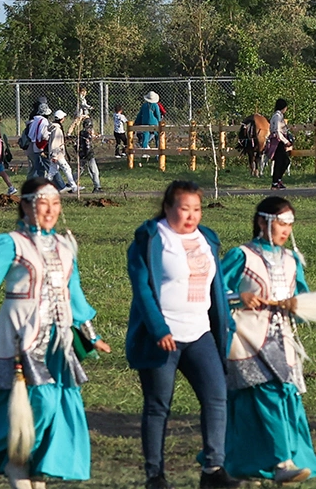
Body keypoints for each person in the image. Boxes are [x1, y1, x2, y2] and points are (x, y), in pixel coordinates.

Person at [0, 177, 112, 488]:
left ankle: (34, 465)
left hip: (57, 339)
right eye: (43, 203)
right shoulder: (12, 243)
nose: (51, 210)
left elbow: (73, 293)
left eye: (56, 203)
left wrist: (91, 335)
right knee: (35, 400)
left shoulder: (65, 247)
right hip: (21, 335)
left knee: (56, 401)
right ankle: (15, 461)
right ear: (25, 205)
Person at [125, 181, 239, 489]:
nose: (191, 216)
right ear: (167, 207)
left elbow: (216, 290)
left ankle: (213, 470)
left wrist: (226, 325)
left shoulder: (207, 240)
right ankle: (155, 475)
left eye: (197, 209)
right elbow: (143, 290)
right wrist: (158, 329)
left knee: (216, 396)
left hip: (200, 332)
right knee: (158, 404)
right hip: (163, 336)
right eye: (184, 208)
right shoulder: (149, 239)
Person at [220, 196, 316, 484]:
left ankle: (242, 465)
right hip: (247, 338)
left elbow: (300, 297)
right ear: (263, 222)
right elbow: (212, 291)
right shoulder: (241, 256)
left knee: (278, 395)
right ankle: (281, 463)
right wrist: (238, 298)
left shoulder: (291, 260)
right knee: (265, 395)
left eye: (290, 223)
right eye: (281, 222)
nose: (286, 229)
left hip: (282, 339)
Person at [48, 110, 76, 193]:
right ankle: (73, 185)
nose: (64, 119)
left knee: (52, 172)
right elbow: (55, 143)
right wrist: (55, 156)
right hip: (57, 153)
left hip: (55, 153)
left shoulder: (55, 128)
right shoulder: (57, 129)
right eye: (63, 117)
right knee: (67, 169)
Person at [268, 99, 292, 190]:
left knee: (281, 161)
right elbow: (278, 131)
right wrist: (286, 141)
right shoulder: (278, 117)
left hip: (277, 140)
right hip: (278, 141)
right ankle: (275, 182)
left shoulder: (276, 116)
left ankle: (277, 181)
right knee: (283, 161)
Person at [26, 105, 52, 179]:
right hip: (39, 145)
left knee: (36, 167)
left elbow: (31, 134)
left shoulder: (35, 120)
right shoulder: (43, 121)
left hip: (33, 145)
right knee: (39, 167)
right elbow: (44, 135)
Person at [77, 119, 102, 193]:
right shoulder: (87, 134)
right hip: (88, 154)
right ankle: (97, 187)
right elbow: (87, 145)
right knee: (95, 171)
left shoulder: (81, 133)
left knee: (80, 170)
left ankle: (70, 184)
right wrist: (88, 154)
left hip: (82, 153)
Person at [135, 92, 161, 157]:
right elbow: (158, 115)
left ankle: (144, 152)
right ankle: (158, 153)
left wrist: (136, 123)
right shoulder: (155, 105)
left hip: (145, 123)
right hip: (154, 123)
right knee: (157, 137)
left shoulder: (144, 105)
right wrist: (159, 122)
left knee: (145, 137)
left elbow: (140, 115)